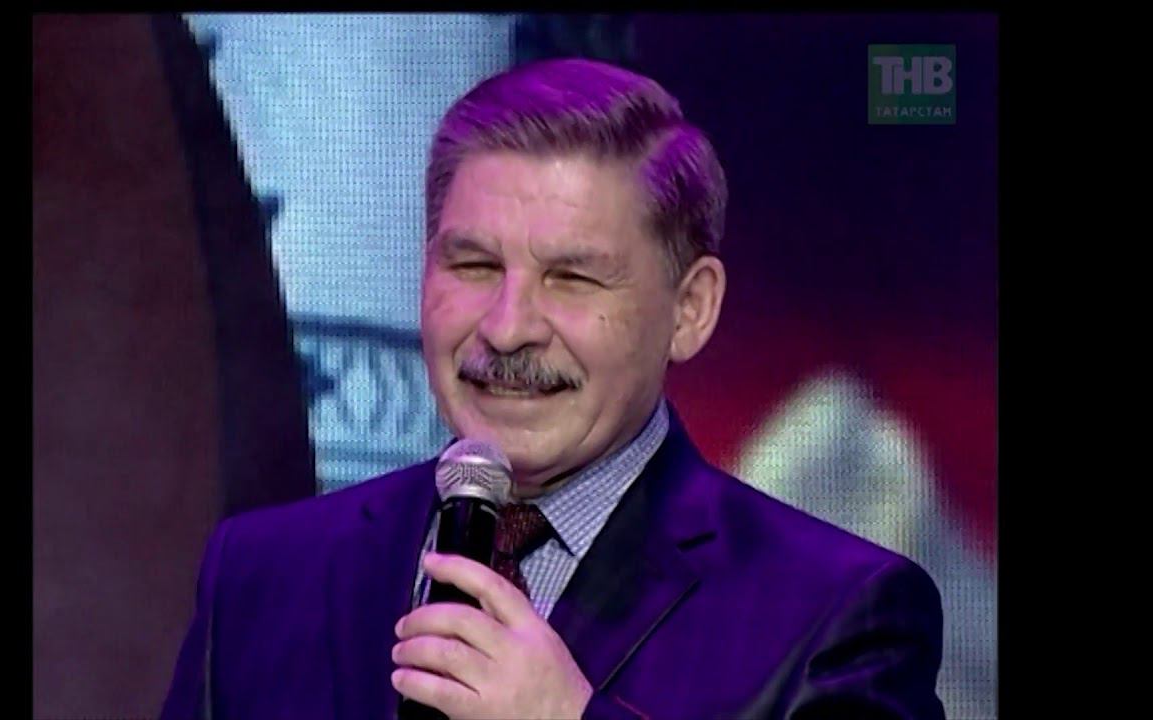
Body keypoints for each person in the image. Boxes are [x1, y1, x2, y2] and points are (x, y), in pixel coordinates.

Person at [160, 57, 945, 720]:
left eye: (572, 278)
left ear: (691, 309)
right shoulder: (260, 576)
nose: (507, 329)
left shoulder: (840, 616)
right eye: (474, 266)